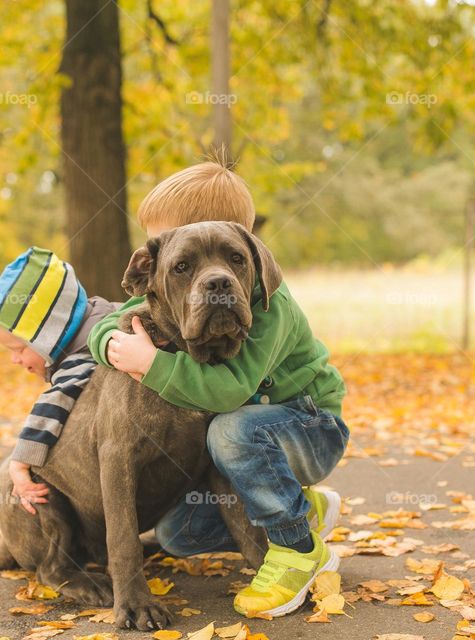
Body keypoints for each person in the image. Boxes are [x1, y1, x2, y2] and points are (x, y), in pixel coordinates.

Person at [87, 161, 349, 618]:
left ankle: (297, 551)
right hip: (258, 442)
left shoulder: (272, 308)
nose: (215, 278)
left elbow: (227, 393)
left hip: (310, 426)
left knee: (229, 429)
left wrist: (149, 363)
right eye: (183, 264)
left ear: (256, 260)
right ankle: (300, 507)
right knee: (177, 534)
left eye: (231, 259)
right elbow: (119, 312)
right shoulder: (159, 286)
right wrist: (107, 341)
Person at [0, 247, 117, 514]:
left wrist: (19, 463)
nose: (15, 360)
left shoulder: (81, 357)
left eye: (19, 349)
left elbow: (54, 402)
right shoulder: (105, 314)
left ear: (49, 335)